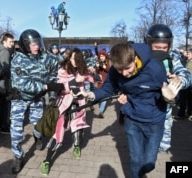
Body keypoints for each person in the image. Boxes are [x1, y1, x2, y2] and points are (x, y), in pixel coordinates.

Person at [75, 43, 169, 178]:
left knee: (149, 163)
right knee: (136, 160)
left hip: (154, 121)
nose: (124, 74)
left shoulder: (155, 69)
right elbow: (107, 89)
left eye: (127, 68)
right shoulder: (115, 70)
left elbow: (171, 93)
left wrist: (170, 97)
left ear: (135, 58)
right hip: (132, 119)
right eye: (120, 70)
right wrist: (92, 95)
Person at [9, 29, 64, 174]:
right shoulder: (18, 60)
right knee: (16, 130)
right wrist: (46, 86)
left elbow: (55, 69)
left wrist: (53, 90)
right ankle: (18, 156)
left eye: (38, 43)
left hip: (36, 99)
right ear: (25, 45)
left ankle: (37, 137)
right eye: (33, 44)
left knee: (39, 125)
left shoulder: (44, 56)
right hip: (20, 99)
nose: (36, 47)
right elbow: (23, 84)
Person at [40, 48, 95, 175]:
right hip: (64, 104)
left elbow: (97, 81)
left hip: (79, 103)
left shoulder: (83, 70)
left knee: (77, 129)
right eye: (72, 58)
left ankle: (76, 146)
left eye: (77, 59)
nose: (74, 61)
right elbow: (59, 89)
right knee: (58, 132)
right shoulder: (63, 70)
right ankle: (47, 160)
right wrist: (76, 81)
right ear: (69, 58)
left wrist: (93, 72)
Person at [144, 24, 192, 152]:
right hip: (145, 107)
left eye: (165, 47)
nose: (161, 51)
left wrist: (179, 80)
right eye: (157, 47)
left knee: (163, 146)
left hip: (165, 108)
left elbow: (185, 73)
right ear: (149, 44)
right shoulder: (141, 55)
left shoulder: (172, 56)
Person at [0, 32, 14, 134]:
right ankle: (4, 126)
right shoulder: (5, 52)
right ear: (4, 41)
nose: (12, 43)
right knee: (5, 105)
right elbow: (5, 68)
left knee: (2, 104)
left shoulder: (1, 50)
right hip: (4, 83)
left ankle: (2, 124)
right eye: (10, 41)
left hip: (1, 82)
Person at [95, 49, 111, 118]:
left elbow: (111, 71)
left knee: (105, 97)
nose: (101, 57)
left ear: (105, 56)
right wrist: (97, 67)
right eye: (100, 56)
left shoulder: (108, 62)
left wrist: (105, 67)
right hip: (100, 82)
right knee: (100, 97)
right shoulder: (98, 62)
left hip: (106, 82)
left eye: (103, 56)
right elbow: (96, 73)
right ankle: (99, 105)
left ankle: (101, 111)